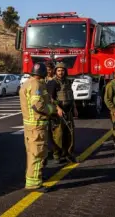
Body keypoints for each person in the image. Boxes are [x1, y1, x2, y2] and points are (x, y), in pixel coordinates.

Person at [19, 62, 63, 192]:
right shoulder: (36, 85)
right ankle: (34, 183)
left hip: (30, 126)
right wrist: (52, 110)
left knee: (32, 154)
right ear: (43, 73)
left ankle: (33, 176)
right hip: (37, 126)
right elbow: (37, 105)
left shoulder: (28, 83)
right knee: (37, 154)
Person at [48, 62, 79, 164]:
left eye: (62, 70)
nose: (61, 72)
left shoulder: (67, 82)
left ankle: (68, 153)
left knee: (70, 133)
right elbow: (50, 98)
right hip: (58, 113)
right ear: (55, 71)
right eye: (59, 70)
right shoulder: (53, 83)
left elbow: (71, 95)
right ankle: (57, 155)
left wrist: (74, 108)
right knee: (58, 134)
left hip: (69, 111)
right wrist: (58, 109)